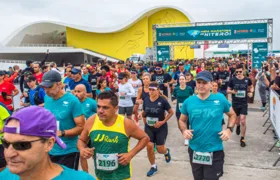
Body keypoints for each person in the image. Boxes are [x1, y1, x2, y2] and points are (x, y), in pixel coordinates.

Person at [0, 106, 95, 180]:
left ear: (49, 144)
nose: (9, 154)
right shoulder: (4, 176)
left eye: (21, 145)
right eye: (6, 143)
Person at [77, 91, 149, 180]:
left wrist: (131, 154)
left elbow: (145, 138)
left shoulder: (126, 123)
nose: (100, 111)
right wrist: (82, 149)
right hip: (100, 176)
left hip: (121, 176)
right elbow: (81, 140)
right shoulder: (92, 121)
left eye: (105, 107)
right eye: (98, 106)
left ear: (115, 109)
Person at [179, 71, 236, 180]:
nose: (200, 85)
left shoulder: (220, 99)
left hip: (215, 150)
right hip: (195, 149)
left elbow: (232, 115)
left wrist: (229, 130)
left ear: (211, 84)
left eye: (204, 82)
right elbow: (182, 120)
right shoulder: (189, 101)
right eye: (198, 82)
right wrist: (184, 130)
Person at [40, 70, 85, 170]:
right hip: (51, 149)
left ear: (59, 84)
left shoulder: (72, 100)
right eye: (44, 87)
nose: (46, 90)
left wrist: (62, 133)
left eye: (50, 87)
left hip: (68, 150)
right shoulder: (47, 98)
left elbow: (81, 127)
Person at [139, 82, 174, 177]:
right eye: (149, 89)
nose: (150, 91)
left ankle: (166, 152)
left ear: (158, 90)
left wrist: (162, 122)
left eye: (153, 90)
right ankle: (153, 166)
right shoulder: (146, 99)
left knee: (160, 149)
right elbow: (144, 112)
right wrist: (141, 116)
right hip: (149, 127)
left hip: (160, 127)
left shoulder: (163, 100)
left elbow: (171, 112)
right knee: (149, 146)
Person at [227, 65, 254, 147]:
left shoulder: (247, 80)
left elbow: (251, 87)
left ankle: (242, 138)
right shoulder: (232, 80)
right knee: (237, 121)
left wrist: (251, 92)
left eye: (240, 71)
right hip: (235, 103)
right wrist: (232, 92)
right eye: (237, 72)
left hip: (243, 103)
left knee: (243, 120)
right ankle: (237, 126)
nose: (238, 73)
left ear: (243, 71)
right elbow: (227, 90)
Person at [73, 84, 96, 173]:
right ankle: (86, 175)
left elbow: (101, 114)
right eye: (75, 91)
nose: (76, 94)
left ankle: (100, 171)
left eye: (79, 91)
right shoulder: (74, 103)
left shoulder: (91, 103)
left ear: (85, 93)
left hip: (92, 134)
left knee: (95, 154)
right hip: (81, 135)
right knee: (82, 155)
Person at [172, 75, 193, 146]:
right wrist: (174, 100)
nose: (181, 81)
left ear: (185, 80)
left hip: (188, 109)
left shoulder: (189, 88)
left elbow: (192, 96)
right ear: (178, 81)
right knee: (179, 125)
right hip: (179, 109)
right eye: (180, 79)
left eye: (183, 79)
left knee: (187, 123)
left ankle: (187, 138)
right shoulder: (176, 89)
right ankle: (186, 134)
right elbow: (173, 96)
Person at [0, 103, 11, 172]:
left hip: (1, 142)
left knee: (2, 164)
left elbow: (10, 123)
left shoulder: (0, 108)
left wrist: (1, 130)